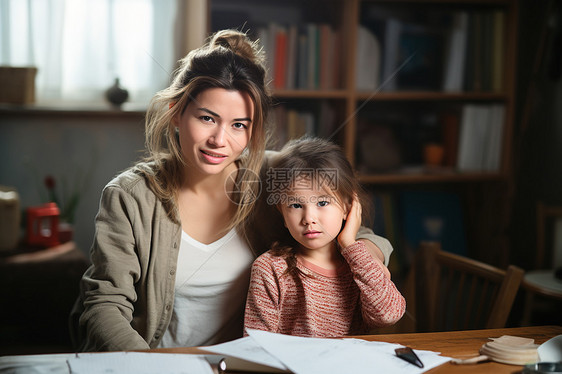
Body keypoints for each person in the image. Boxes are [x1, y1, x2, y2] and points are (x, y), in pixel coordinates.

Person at [70, 29, 394, 352]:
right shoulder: (130, 196)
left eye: (239, 124)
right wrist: (149, 365)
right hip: (157, 363)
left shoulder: (274, 175)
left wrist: (361, 247)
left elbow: (360, 235)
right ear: (176, 114)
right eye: (207, 118)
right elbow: (104, 304)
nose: (220, 140)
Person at [244, 137, 406, 337]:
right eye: (295, 205)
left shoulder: (359, 265)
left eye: (322, 203)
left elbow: (388, 315)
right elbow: (256, 344)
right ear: (283, 214)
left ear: (349, 207)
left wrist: (349, 244)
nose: (309, 218)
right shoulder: (269, 269)